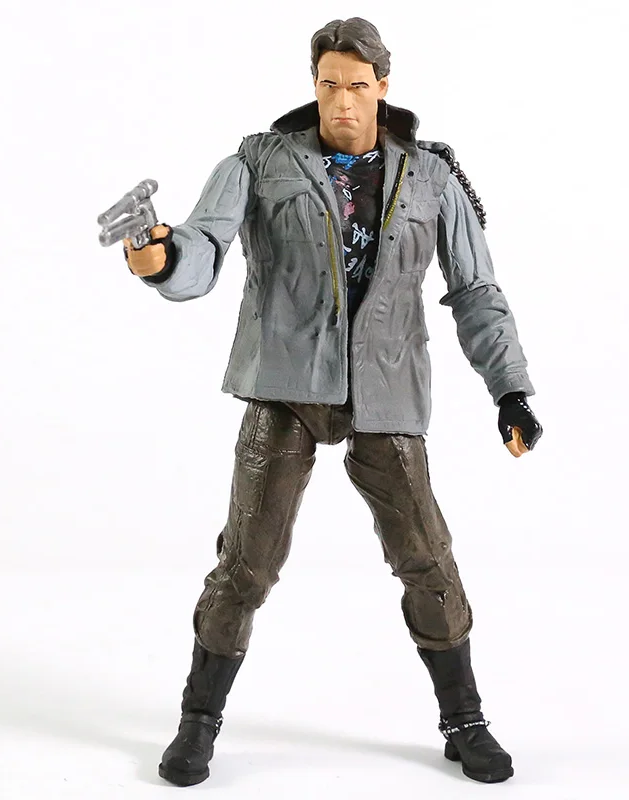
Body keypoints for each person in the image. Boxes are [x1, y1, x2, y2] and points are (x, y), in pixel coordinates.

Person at [121, 17, 543, 787]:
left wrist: (509, 388)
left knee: (428, 558)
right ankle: (197, 720)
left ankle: (465, 718)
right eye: (328, 85)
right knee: (245, 564)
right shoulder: (260, 161)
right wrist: (160, 258)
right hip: (285, 383)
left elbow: (476, 290)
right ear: (312, 84)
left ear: (382, 86)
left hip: (386, 387)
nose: (342, 101)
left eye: (356, 85)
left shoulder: (432, 177)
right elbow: (203, 247)